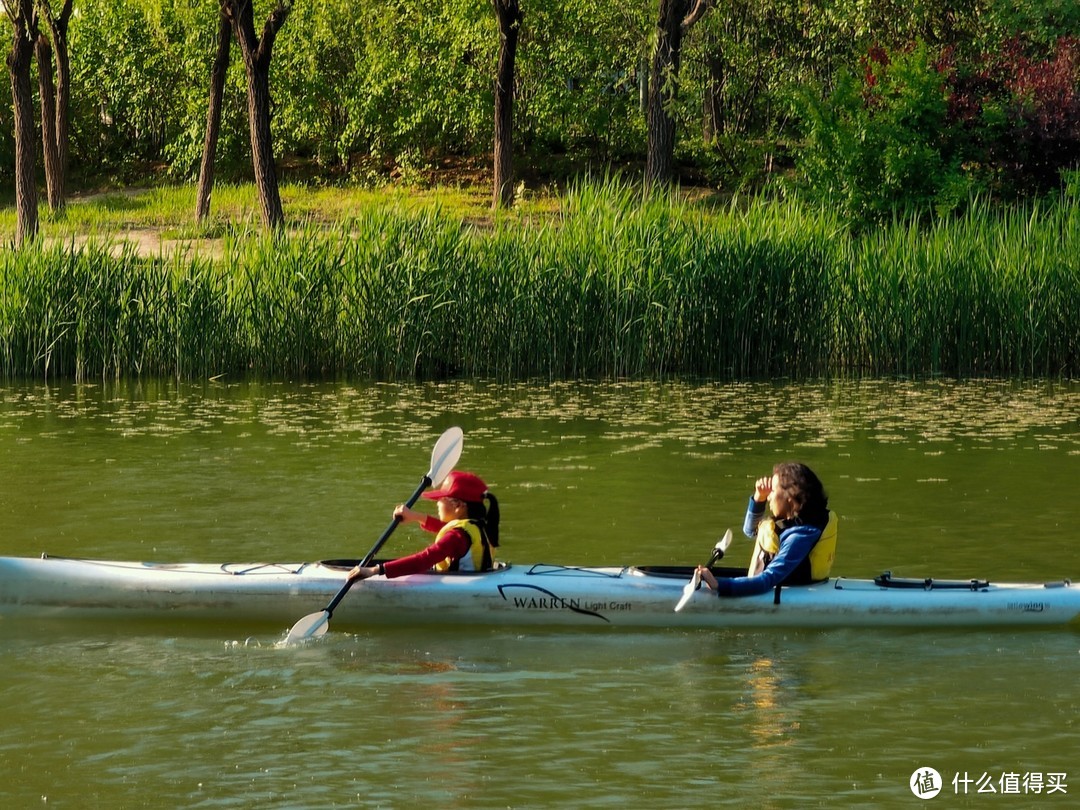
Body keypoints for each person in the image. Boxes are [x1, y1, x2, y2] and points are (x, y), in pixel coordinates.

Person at [697, 462, 837, 597]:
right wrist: (759, 498)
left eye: (773, 491)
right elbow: (751, 531)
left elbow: (767, 579)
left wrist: (719, 585)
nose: (769, 496)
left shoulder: (800, 536)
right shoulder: (791, 518)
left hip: (790, 591)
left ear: (790, 498)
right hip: (769, 582)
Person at [348, 471, 500, 581]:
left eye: (441, 499)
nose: (437, 503)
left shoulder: (456, 537)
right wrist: (416, 517)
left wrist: (375, 570)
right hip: (482, 578)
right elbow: (444, 528)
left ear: (459, 506)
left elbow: (424, 560)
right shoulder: (479, 527)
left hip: (460, 588)